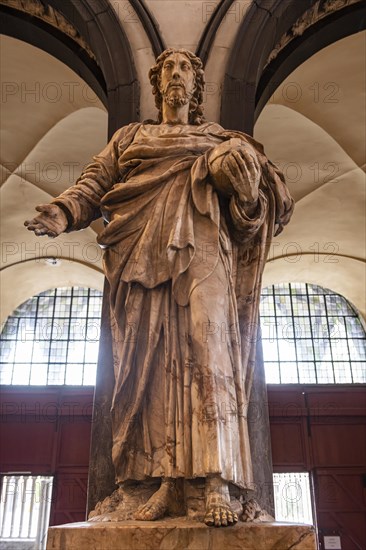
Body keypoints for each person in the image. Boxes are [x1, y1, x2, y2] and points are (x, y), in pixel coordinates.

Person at [25, 48, 294, 527]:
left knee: (210, 355)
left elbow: (267, 204)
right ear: (156, 84)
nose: (175, 74)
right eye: (167, 68)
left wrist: (244, 185)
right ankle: (163, 481)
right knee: (147, 367)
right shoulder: (131, 138)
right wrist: (62, 212)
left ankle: (216, 481)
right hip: (139, 259)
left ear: (196, 87)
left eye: (185, 68)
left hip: (205, 251)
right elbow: (93, 185)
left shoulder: (220, 139)